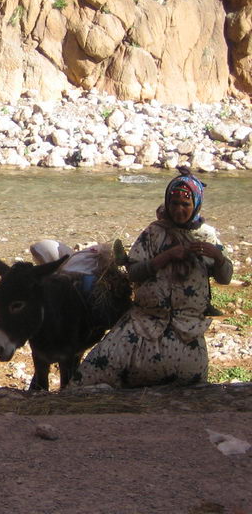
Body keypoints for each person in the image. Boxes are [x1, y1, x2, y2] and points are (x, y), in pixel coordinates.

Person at [71, 167, 233, 389]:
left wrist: (218, 257)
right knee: (89, 376)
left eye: (185, 204)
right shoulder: (153, 233)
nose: (178, 210)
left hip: (187, 329)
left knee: (193, 387)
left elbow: (225, 278)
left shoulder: (206, 236)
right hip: (144, 322)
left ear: (196, 204)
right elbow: (134, 273)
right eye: (174, 203)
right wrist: (166, 257)